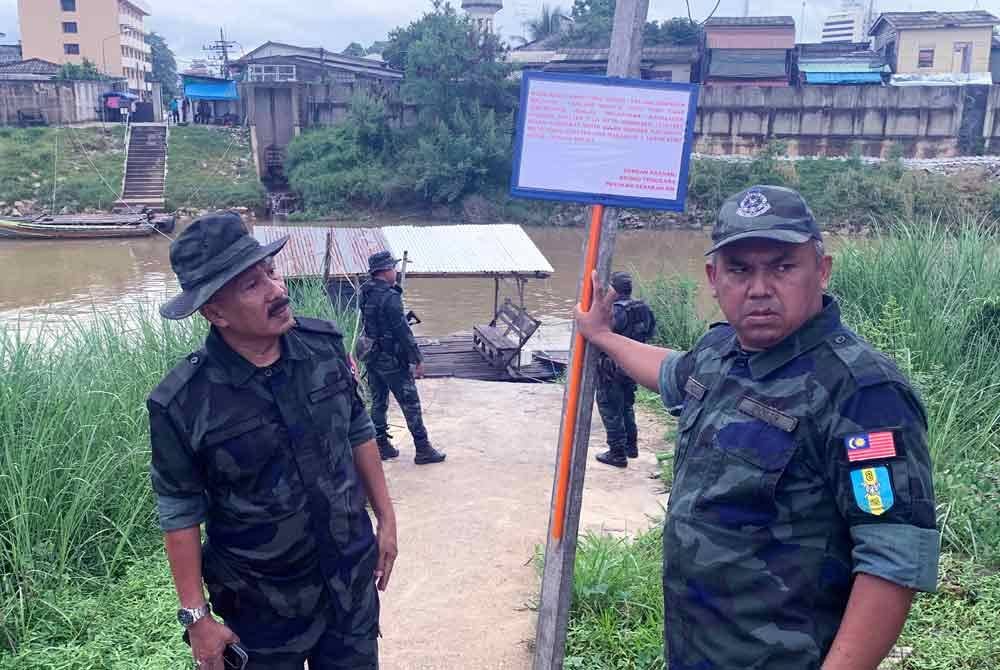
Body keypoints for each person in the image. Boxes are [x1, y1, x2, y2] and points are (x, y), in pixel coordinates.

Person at [575, 185, 939, 669]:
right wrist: (603, 336)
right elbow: (670, 373)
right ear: (713, 277)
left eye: (783, 267)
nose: (760, 288)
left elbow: (892, 561)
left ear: (822, 270)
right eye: (740, 269)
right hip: (696, 650)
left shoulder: (863, 393)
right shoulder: (721, 352)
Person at [148, 212, 397, 670]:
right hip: (259, 607)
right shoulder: (182, 403)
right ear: (215, 311)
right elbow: (179, 511)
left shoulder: (322, 345)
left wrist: (386, 518)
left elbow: (357, 428)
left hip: (348, 585)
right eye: (251, 285)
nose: (277, 291)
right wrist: (197, 618)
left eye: (271, 272)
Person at [359, 251, 445, 465]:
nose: (396, 272)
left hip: (371, 356)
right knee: (411, 403)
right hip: (392, 360)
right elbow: (403, 332)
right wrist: (417, 359)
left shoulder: (364, 291)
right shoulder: (391, 296)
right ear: (386, 270)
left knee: (379, 402)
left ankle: (382, 446)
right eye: (393, 268)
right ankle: (423, 448)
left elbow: (373, 323)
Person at [594, 271, 656, 468]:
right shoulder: (643, 307)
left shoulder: (615, 311)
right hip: (634, 365)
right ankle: (631, 446)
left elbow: (601, 334)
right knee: (627, 405)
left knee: (611, 408)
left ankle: (617, 453)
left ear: (613, 290)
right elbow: (651, 332)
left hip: (611, 368)